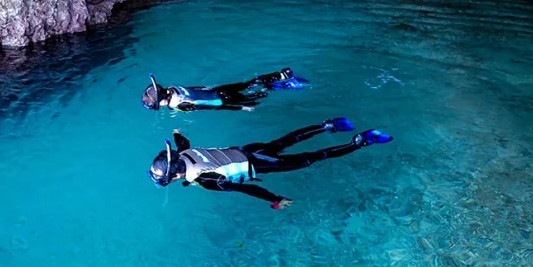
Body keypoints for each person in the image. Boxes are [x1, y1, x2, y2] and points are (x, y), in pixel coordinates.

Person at [145, 118, 393, 209]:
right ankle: (328, 125)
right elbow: (183, 142)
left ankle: (358, 142)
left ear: (175, 177)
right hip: (248, 149)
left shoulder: (205, 180)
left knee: (311, 158)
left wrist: (273, 199)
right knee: (286, 140)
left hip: (259, 165)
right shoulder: (184, 152)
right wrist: (177, 132)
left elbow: (244, 188)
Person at [140, 68, 309, 112]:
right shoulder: (172, 88)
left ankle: (283, 86)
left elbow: (213, 107)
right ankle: (281, 74)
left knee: (257, 96)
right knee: (249, 84)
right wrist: (209, 88)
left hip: (223, 100)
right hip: (219, 90)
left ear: (161, 101)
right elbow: (197, 89)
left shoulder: (180, 106)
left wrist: (241, 108)